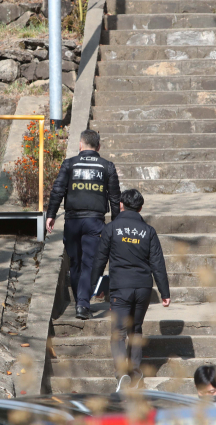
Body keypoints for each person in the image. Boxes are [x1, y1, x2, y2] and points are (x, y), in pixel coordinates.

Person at [90, 189, 170, 391]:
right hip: (143, 287)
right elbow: (158, 264)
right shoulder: (148, 231)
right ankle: (135, 374)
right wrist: (165, 293)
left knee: (118, 333)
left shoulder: (112, 228)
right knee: (135, 330)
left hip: (120, 288)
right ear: (141, 208)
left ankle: (122, 374)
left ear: (121, 205)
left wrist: (96, 286)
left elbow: (100, 259)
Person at [46, 129, 121, 320]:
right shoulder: (107, 166)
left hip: (72, 221)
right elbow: (114, 198)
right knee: (89, 263)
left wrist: (51, 214)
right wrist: (116, 222)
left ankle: (82, 302)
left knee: (76, 263)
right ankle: (82, 304)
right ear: (99, 146)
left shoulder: (70, 164)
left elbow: (57, 190)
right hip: (95, 222)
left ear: (80, 145)